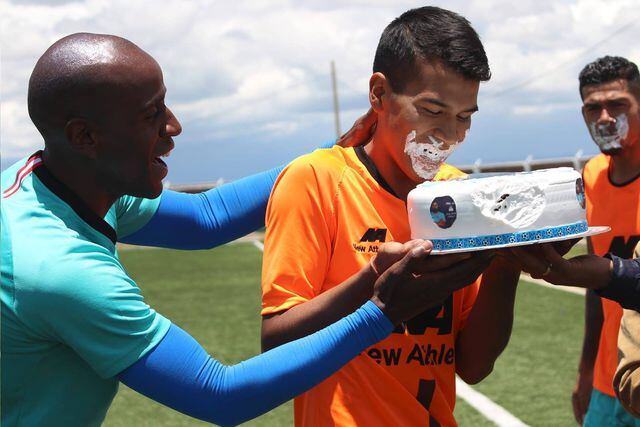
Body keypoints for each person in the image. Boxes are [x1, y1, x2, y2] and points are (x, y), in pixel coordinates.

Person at [0, 32, 478, 427]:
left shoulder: (61, 179)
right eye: (151, 115)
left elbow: (206, 218)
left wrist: (336, 152)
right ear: (84, 136)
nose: (174, 126)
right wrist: (382, 310)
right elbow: (220, 394)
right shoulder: (59, 271)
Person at [260, 7, 521, 426]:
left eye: (464, 117)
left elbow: (474, 366)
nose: (449, 135)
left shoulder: (459, 193)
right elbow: (276, 345)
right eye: (432, 110)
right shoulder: (317, 180)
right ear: (379, 94)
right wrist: (373, 285)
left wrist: (506, 265)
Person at [571, 56, 640, 426]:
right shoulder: (592, 175)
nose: (604, 117)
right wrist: (585, 370)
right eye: (592, 108)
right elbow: (597, 284)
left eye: (617, 105)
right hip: (607, 379)